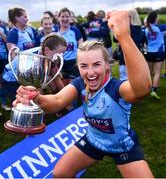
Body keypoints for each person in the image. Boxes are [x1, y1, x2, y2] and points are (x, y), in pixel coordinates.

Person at [13, 11, 153, 178]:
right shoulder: (80, 83)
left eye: (96, 64)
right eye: (84, 66)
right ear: (78, 67)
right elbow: (57, 101)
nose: (90, 72)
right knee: (61, 173)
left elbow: (143, 89)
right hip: (94, 140)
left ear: (107, 66)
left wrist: (123, 36)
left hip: (122, 145)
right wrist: (35, 97)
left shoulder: (115, 87)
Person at [2, 33, 67, 107]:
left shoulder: (49, 55)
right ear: (47, 50)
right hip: (11, 81)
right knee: (26, 102)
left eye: (62, 54)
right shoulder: (33, 58)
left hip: (27, 79)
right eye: (59, 54)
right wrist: (43, 103)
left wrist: (65, 97)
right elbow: (35, 86)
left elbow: (56, 77)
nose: (61, 56)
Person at [144, 11, 165, 99]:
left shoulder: (145, 29)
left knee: (149, 72)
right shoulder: (160, 27)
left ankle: (146, 89)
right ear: (155, 18)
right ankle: (154, 90)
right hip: (159, 52)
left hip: (149, 52)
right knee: (157, 72)